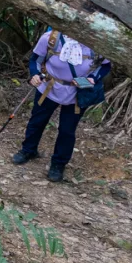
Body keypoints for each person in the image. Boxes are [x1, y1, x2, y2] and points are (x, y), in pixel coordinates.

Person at [13, 29, 111, 182]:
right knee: (37, 121)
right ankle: (28, 150)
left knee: (67, 130)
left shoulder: (96, 44)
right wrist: (34, 75)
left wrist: (93, 78)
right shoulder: (50, 38)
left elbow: (105, 66)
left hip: (77, 93)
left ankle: (58, 164)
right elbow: (35, 61)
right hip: (49, 87)